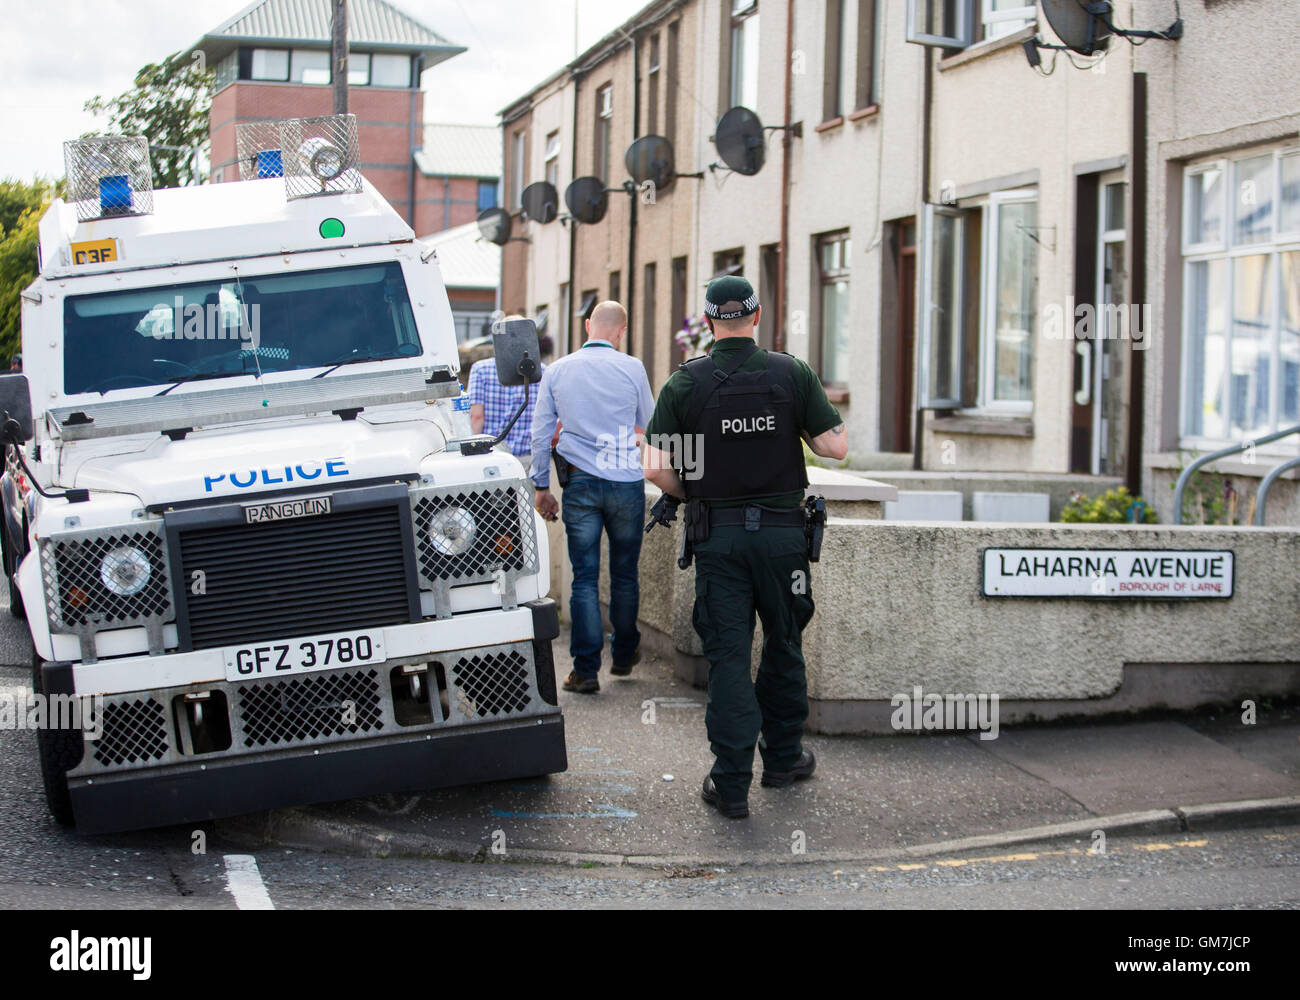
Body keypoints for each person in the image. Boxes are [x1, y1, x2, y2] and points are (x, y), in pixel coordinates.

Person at [642, 275, 848, 819]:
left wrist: (701, 491)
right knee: (784, 642)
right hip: (784, 540)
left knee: (729, 657)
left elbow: (656, 470)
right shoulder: (790, 373)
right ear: (757, 317)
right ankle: (782, 759)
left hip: (720, 539)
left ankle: (731, 785)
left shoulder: (686, 384)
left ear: (708, 323)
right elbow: (836, 447)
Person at [530, 301, 654, 694]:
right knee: (624, 573)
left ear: (588, 326)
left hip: (580, 483)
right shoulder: (632, 367)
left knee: (583, 577)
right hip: (626, 484)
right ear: (623, 329)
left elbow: (540, 430)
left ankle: (585, 671)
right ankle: (623, 654)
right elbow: (652, 424)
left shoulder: (559, 370)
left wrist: (541, 486)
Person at [466, 316, 546, 468]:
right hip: (529, 459)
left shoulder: (481, 370)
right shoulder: (542, 372)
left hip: (493, 458)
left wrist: (473, 456)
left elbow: (476, 416)